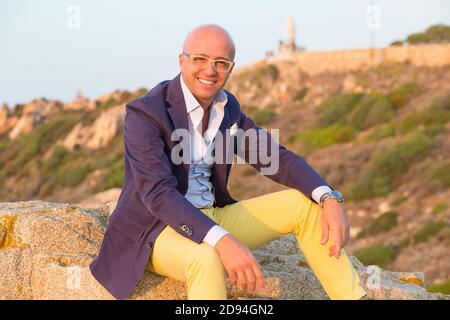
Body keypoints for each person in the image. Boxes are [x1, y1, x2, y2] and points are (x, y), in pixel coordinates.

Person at [89, 24, 368, 300]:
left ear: (231, 69)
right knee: (207, 257)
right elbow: (158, 194)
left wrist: (329, 198)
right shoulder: (146, 113)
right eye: (200, 59)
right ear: (182, 61)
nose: (210, 71)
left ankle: (353, 297)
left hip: (212, 214)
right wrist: (222, 240)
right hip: (156, 228)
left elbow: (276, 158)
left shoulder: (227, 108)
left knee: (306, 205)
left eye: (221, 63)